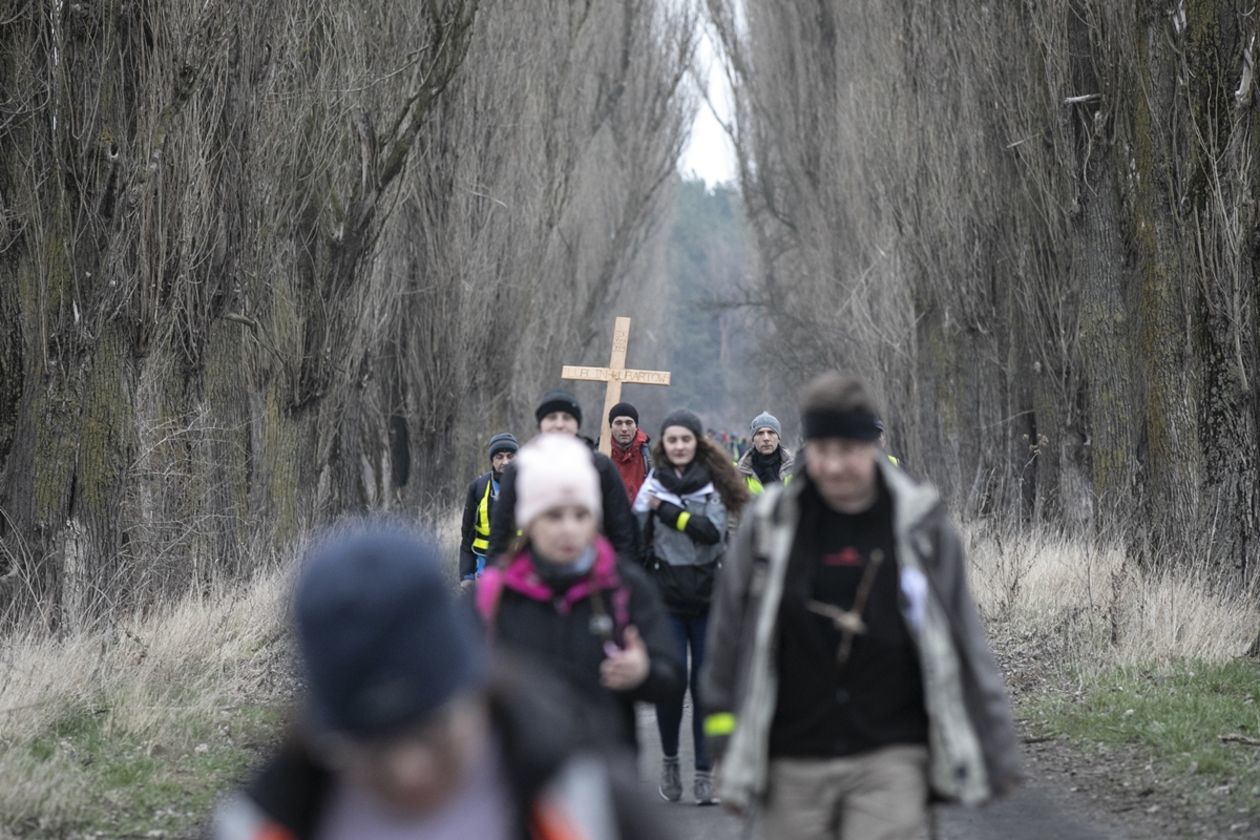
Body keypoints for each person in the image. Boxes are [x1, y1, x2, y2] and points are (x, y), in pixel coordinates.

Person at [702, 372, 1021, 840]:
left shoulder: (919, 525)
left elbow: (963, 636)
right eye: (823, 451)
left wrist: (995, 740)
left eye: (849, 451)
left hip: (891, 752)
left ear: (873, 448)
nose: (834, 467)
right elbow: (729, 636)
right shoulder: (770, 525)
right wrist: (723, 737)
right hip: (790, 756)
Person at [213, 524, 672, 840]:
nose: (409, 771)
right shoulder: (255, 825)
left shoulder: (585, 800)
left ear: (476, 689)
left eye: (431, 730)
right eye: (370, 747)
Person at [476, 433, 681, 754]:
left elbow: (671, 674)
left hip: (607, 773)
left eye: (581, 515)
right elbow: (446, 689)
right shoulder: (494, 592)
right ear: (529, 521)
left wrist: (644, 673)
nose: (568, 528)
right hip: (516, 780)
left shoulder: (624, 585)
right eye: (554, 515)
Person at [633, 410, 749, 807]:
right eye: (672, 439)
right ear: (663, 444)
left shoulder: (715, 485)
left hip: (708, 597)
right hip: (665, 597)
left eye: (686, 439)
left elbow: (710, 532)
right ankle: (669, 762)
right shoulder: (650, 484)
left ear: (697, 443)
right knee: (671, 682)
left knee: (704, 686)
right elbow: (634, 537)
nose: (679, 446)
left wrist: (666, 511)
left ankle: (704, 773)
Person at [488, 389, 639, 563]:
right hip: (534, 570)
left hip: (593, 570)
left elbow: (622, 530)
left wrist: (624, 576)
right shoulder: (520, 469)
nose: (559, 424)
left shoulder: (601, 467)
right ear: (540, 425)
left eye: (567, 418)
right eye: (552, 417)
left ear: (577, 425)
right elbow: (501, 532)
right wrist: (495, 579)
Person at [459, 432, 519, 588]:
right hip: (485, 566)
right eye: (499, 457)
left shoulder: (529, 485)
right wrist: (467, 575)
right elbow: (467, 537)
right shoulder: (478, 487)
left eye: (510, 456)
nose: (505, 462)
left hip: (519, 564)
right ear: (492, 460)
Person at [737, 411, 795, 494]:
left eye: (771, 432)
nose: (766, 438)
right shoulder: (740, 474)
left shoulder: (796, 469)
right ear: (753, 439)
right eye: (760, 433)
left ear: (779, 437)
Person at [607, 402, 652, 502]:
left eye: (629, 423)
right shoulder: (599, 452)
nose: (624, 429)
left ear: (636, 426)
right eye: (618, 423)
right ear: (611, 426)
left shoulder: (648, 455)